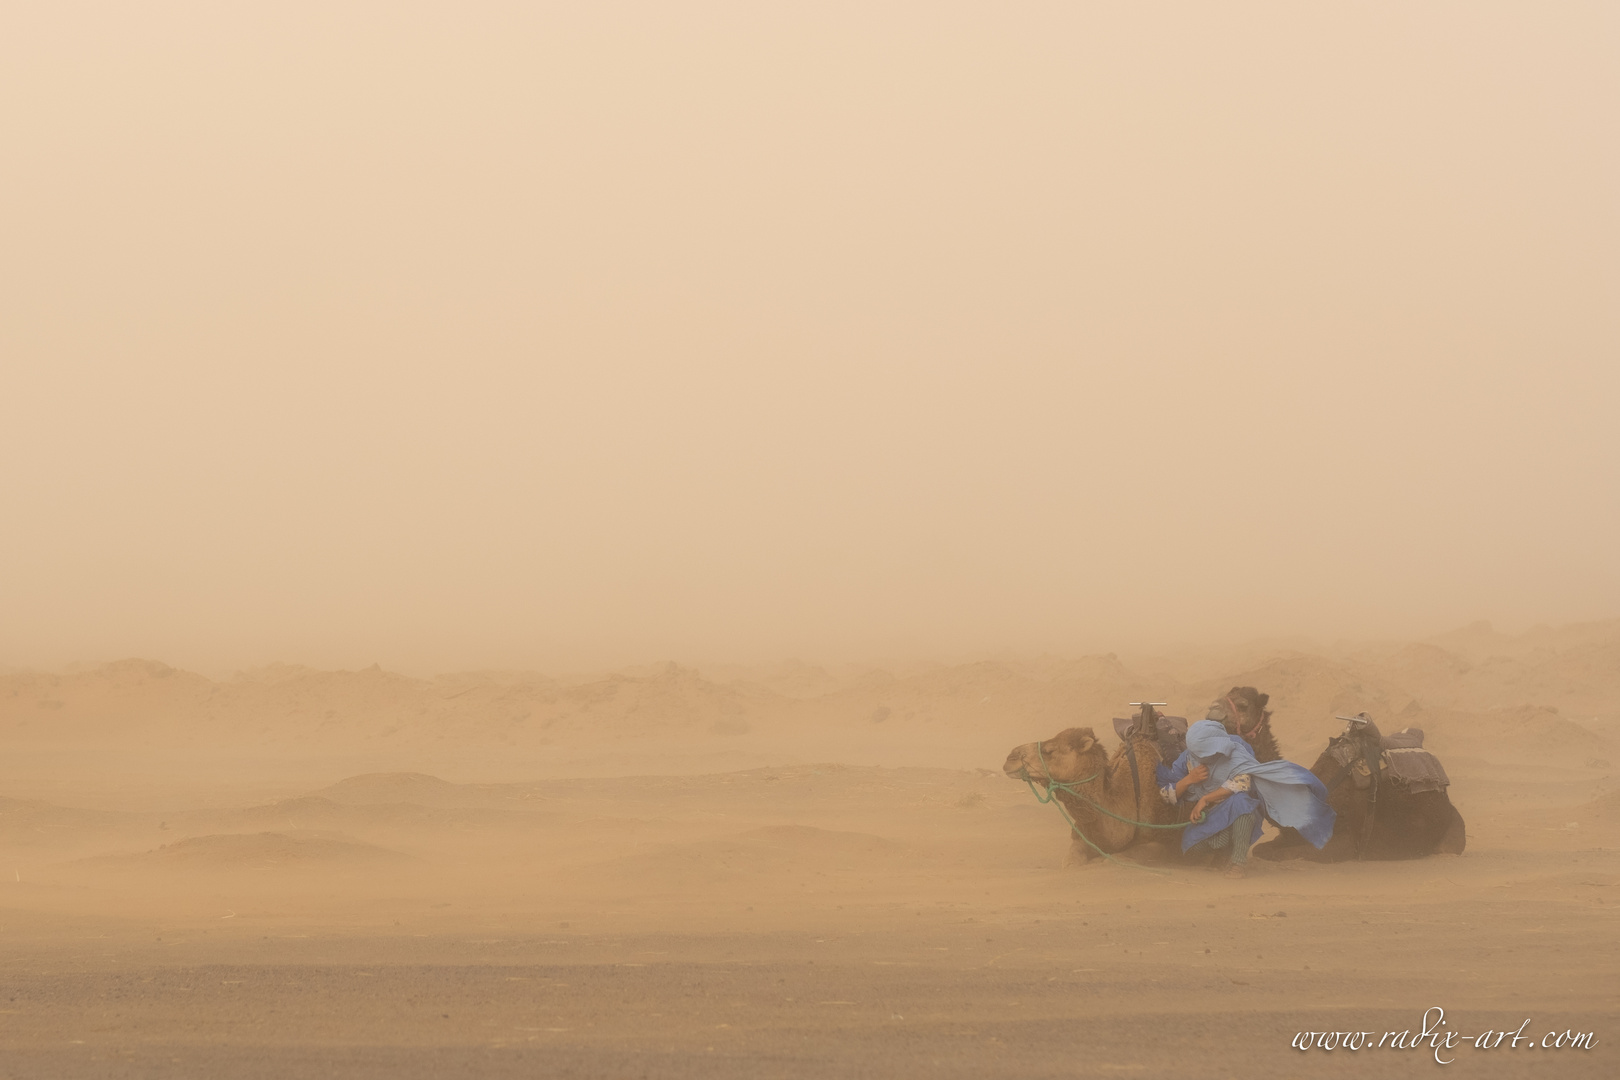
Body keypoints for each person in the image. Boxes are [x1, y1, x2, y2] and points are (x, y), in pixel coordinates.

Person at [1157, 703, 1336, 877]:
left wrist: (1205, 799)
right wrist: (1190, 779)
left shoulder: (1237, 750)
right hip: (1208, 817)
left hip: (1238, 809)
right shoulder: (1186, 759)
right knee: (1191, 847)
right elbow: (1167, 794)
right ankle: (1225, 848)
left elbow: (1243, 782)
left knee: (1242, 803)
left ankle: (1238, 862)